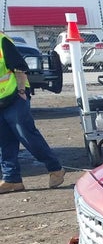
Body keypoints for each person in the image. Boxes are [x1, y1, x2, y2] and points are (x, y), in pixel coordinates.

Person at [0, 31, 64, 193]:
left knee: (26, 133)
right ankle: (11, 179)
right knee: (4, 140)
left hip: (15, 96)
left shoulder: (2, 41)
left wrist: (22, 90)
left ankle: (55, 168)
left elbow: (19, 67)